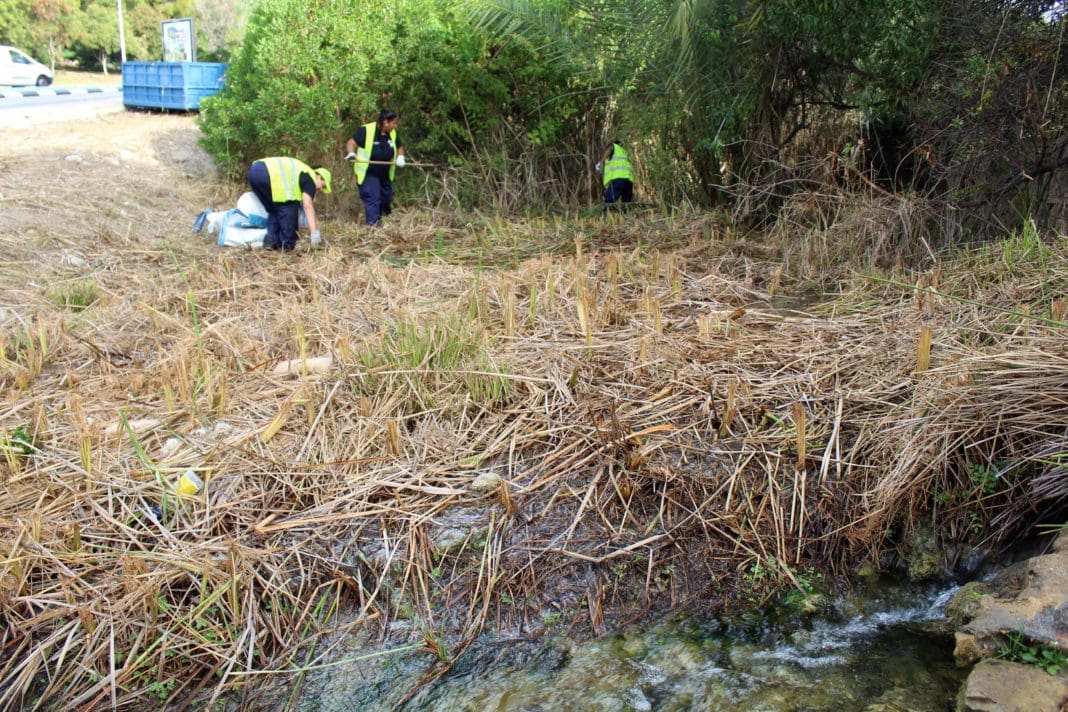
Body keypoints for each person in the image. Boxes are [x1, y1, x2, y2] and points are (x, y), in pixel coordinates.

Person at [246, 157, 331, 251]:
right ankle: (287, 245)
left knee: (275, 209)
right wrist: (314, 233)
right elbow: (307, 204)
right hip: (267, 174)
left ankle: (271, 242)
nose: (321, 190)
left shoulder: (301, 170)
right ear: (318, 176)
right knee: (289, 208)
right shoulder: (310, 177)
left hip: (253, 172)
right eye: (323, 186)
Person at [345, 109, 406, 226]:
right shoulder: (367, 130)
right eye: (393, 123)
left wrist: (401, 157)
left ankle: (383, 224)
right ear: (385, 122)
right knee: (373, 198)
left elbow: (399, 147)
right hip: (368, 173)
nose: (395, 126)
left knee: (386, 199)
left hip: (385, 175)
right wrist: (351, 153)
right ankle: (373, 227)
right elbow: (351, 142)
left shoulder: (393, 133)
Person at [595, 140, 634, 213]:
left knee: (609, 200)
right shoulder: (625, 152)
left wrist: (600, 163)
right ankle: (627, 216)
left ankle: (606, 216)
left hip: (619, 177)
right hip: (629, 179)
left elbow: (609, 150)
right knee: (626, 203)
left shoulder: (614, 146)